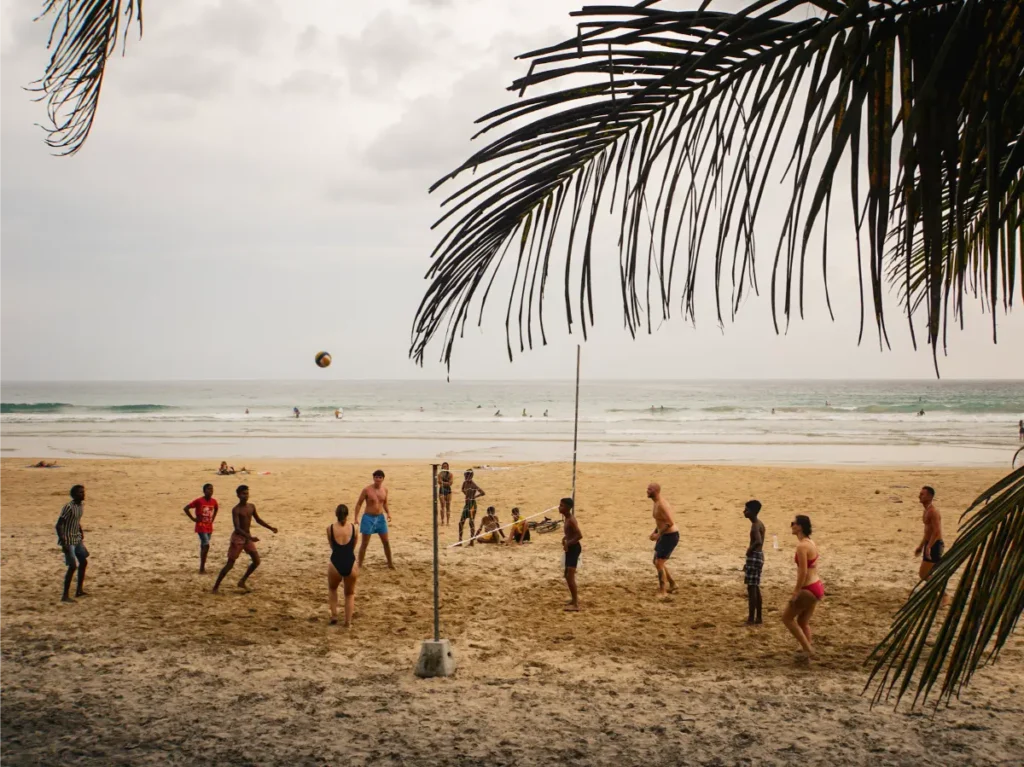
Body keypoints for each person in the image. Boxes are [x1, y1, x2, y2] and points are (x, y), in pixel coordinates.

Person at [212, 485, 278, 592]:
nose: (245, 496)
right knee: (230, 564)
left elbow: (258, 519)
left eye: (247, 493)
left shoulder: (251, 506)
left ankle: (242, 581)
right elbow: (237, 528)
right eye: (243, 494)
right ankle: (215, 587)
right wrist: (250, 537)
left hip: (247, 538)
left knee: (256, 561)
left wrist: (270, 528)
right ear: (238, 495)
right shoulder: (236, 510)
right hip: (238, 538)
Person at [781, 515, 822, 658]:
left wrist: (796, 592)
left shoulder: (801, 546)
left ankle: (807, 649)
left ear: (800, 527)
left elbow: (803, 571)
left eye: (794, 523)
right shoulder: (810, 543)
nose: (791, 525)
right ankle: (807, 645)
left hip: (808, 588)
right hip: (817, 586)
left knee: (786, 618)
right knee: (803, 621)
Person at [914, 485, 949, 607]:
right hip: (929, 544)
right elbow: (927, 532)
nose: (919, 496)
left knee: (924, 574)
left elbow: (937, 532)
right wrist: (921, 546)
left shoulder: (933, 512)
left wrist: (929, 547)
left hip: (935, 545)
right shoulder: (926, 510)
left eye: (922, 494)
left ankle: (944, 595)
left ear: (929, 496)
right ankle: (937, 595)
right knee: (927, 574)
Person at [55, 485, 88, 602]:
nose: (83, 494)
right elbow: (59, 525)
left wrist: (80, 531)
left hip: (76, 538)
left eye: (83, 492)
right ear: (74, 495)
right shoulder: (68, 507)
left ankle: (79, 590)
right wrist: (63, 541)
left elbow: (76, 521)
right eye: (80, 493)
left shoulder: (80, 506)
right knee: (73, 566)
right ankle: (65, 595)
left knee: (83, 562)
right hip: (68, 540)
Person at [327, 504, 358, 627]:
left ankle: (334, 615)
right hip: (350, 562)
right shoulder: (354, 528)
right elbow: (354, 545)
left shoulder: (330, 529)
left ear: (336, 514)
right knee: (349, 594)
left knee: (333, 588)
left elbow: (332, 546)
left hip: (335, 562)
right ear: (347, 515)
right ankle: (348, 622)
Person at [355, 470, 394, 569]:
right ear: (373, 478)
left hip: (380, 518)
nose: (378, 479)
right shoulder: (367, 490)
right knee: (365, 543)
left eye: (380, 477)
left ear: (383, 479)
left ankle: (390, 563)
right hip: (368, 517)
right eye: (376, 477)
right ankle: (359, 564)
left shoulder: (385, 490)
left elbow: (384, 503)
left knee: (386, 541)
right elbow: (359, 503)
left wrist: (388, 513)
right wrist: (356, 517)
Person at [647, 483, 679, 596]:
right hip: (664, 535)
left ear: (656, 491)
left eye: (649, 489)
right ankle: (672, 584)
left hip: (670, 536)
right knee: (656, 561)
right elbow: (660, 521)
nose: (647, 491)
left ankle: (663, 591)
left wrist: (658, 534)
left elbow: (669, 522)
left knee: (659, 562)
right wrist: (655, 532)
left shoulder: (662, 504)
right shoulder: (656, 503)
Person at [183, 483, 219, 573]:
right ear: (204, 491)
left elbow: (216, 508)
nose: (210, 491)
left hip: (209, 527)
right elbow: (186, 508)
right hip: (201, 526)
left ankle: (202, 567)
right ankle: (202, 568)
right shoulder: (199, 501)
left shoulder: (214, 501)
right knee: (206, 544)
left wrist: (213, 519)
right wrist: (193, 519)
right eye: (208, 489)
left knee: (204, 546)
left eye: (212, 489)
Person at [743, 500, 765, 625]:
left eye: (746, 510)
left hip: (754, 556)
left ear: (752, 512)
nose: (744, 512)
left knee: (751, 589)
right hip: (759, 556)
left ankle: (751, 618)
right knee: (755, 587)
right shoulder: (760, 524)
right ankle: (759, 617)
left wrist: (749, 550)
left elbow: (758, 541)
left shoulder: (755, 525)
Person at [560, 497, 582, 611]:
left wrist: (568, 543)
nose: (559, 507)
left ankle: (576, 604)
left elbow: (579, 535)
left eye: (562, 506)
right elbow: (571, 533)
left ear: (568, 508)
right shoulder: (567, 518)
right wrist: (565, 538)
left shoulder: (571, 520)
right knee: (567, 575)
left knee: (570, 576)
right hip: (570, 548)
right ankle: (573, 600)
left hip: (574, 549)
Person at [459, 470, 485, 545]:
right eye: (465, 476)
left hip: (472, 505)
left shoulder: (473, 485)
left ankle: (471, 542)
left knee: (471, 522)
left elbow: (483, 493)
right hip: (466, 504)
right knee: (461, 522)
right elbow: (462, 489)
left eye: (467, 476)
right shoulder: (465, 483)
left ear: (471, 476)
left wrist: (474, 496)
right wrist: (467, 495)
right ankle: (460, 541)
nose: (465, 478)